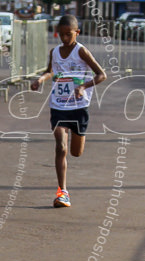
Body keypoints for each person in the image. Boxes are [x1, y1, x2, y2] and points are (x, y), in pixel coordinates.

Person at [30, 15, 107, 208]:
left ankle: (78, 136)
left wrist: (83, 87)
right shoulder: (55, 52)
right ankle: (62, 192)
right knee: (61, 147)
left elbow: (101, 74)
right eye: (61, 34)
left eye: (68, 34)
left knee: (76, 152)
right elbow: (51, 71)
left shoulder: (81, 52)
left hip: (79, 107)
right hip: (59, 105)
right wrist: (41, 79)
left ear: (77, 33)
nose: (64, 38)